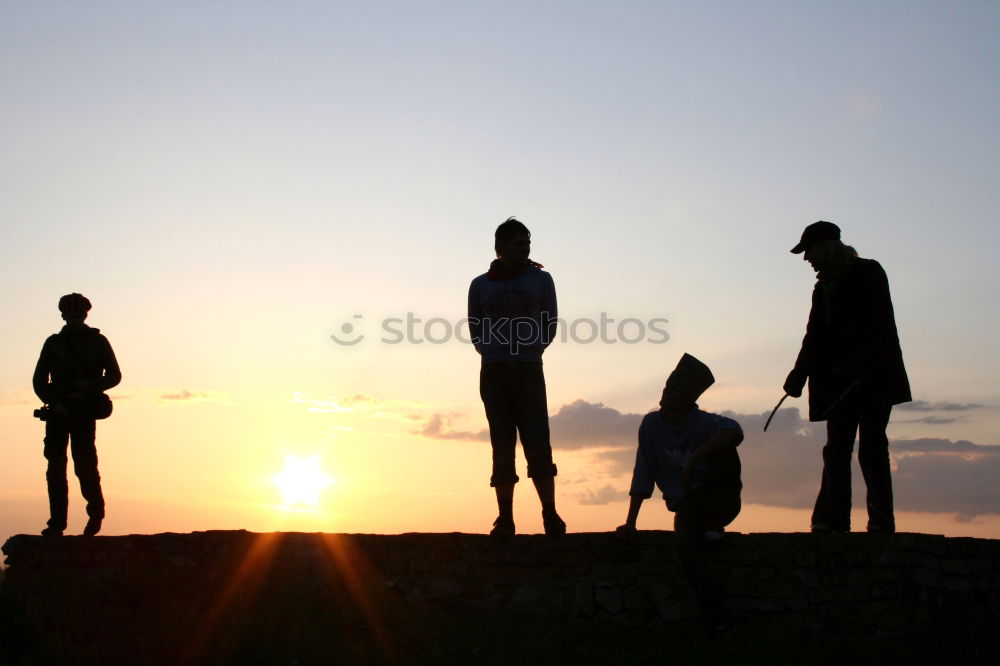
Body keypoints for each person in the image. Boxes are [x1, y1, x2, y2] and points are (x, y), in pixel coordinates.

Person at [783, 221, 911, 533]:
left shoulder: (868, 272)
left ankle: (881, 522)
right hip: (838, 382)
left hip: (873, 379)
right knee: (837, 448)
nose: (806, 258)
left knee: (872, 448)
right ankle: (832, 519)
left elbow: (880, 324)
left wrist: (864, 367)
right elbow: (814, 336)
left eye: (808, 250)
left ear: (826, 246)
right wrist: (798, 375)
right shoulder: (822, 286)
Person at [617, 353, 742, 628]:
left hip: (717, 497)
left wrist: (696, 457)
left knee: (725, 452)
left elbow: (734, 431)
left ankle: (714, 521)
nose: (667, 393)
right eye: (666, 387)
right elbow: (644, 471)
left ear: (688, 398)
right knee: (687, 546)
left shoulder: (704, 423)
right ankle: (716, 616)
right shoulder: (651, 425)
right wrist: (630, 522)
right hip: (686, 503)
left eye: (674, 390)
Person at [468, 217, 564, 538]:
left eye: (528, 243)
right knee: (502, 443)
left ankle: (549, 513)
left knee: (538, 439)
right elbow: (475, 326)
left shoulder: (542, 280)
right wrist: (491, 350)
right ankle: (504, 518)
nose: (525, 248)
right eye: (519, 243)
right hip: (494, 372)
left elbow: (550, 322)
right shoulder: (480, 284)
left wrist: (532, 348)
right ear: (501, 247)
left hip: (528, 368)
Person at [32, 293, 121, 536]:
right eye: (70, 315)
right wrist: (54, 402)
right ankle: (57, 523)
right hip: (59, 413)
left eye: (78, 315)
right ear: (63, 316)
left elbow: (114, 375)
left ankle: (95, 514)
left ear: (85, 315)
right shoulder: (53, 344)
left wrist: (90, 387)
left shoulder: (98, 342)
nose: (74, 319)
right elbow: (39, 381)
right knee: (55, 468)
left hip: (84, 412)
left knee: (85, 465)